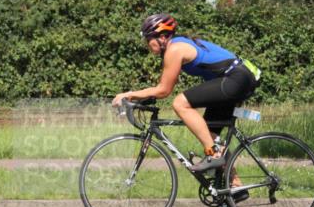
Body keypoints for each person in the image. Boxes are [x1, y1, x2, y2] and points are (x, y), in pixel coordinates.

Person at [112, 14, 261, 192]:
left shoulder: (175, 50)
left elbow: (163, 90)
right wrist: (139, 98)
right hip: (238, 78)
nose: (147, 44)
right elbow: (161, 89)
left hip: (235, 78)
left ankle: (212, 155)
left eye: (148, 39)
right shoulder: (178, 44)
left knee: (180, 103)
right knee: (209, 133)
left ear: (161, 37)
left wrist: (129, 95)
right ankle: (235, 186)